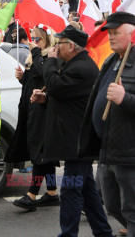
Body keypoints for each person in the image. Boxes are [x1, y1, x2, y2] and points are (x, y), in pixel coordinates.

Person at [32, 25, 114, 237]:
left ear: (71, 46)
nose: (56, 47)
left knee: (69, 189)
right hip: (73, 138)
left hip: (77, 139)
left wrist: (49, 62)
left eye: (59, 43)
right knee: (86, 190)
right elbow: (64, 95)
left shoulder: (82, 67)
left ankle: (68, 234)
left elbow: (56, 86)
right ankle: (103, 232)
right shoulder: (74, 64)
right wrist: (46, 99)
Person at [79, 11, 135, 237]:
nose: (110, 37)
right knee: (112, 205)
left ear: (132, 34)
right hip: (107, 148)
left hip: (129, 152)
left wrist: (126, 98)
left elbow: (122, 98)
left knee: (131, 209)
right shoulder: (112, 59)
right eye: (109, 33)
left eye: (115, 32)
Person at [5, 24, 59, 211]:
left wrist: (36, 52)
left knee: (39, 154)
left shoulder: (49, 57)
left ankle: (31, 194)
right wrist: (22, 77)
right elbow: (35, 80)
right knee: (47, 156)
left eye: (37, 39)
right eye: (32, 38)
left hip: (42, 112)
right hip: (30, 110)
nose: (33, 42)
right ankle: (52, 192)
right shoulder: (34, 57)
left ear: (46, 40)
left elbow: (45, 75)